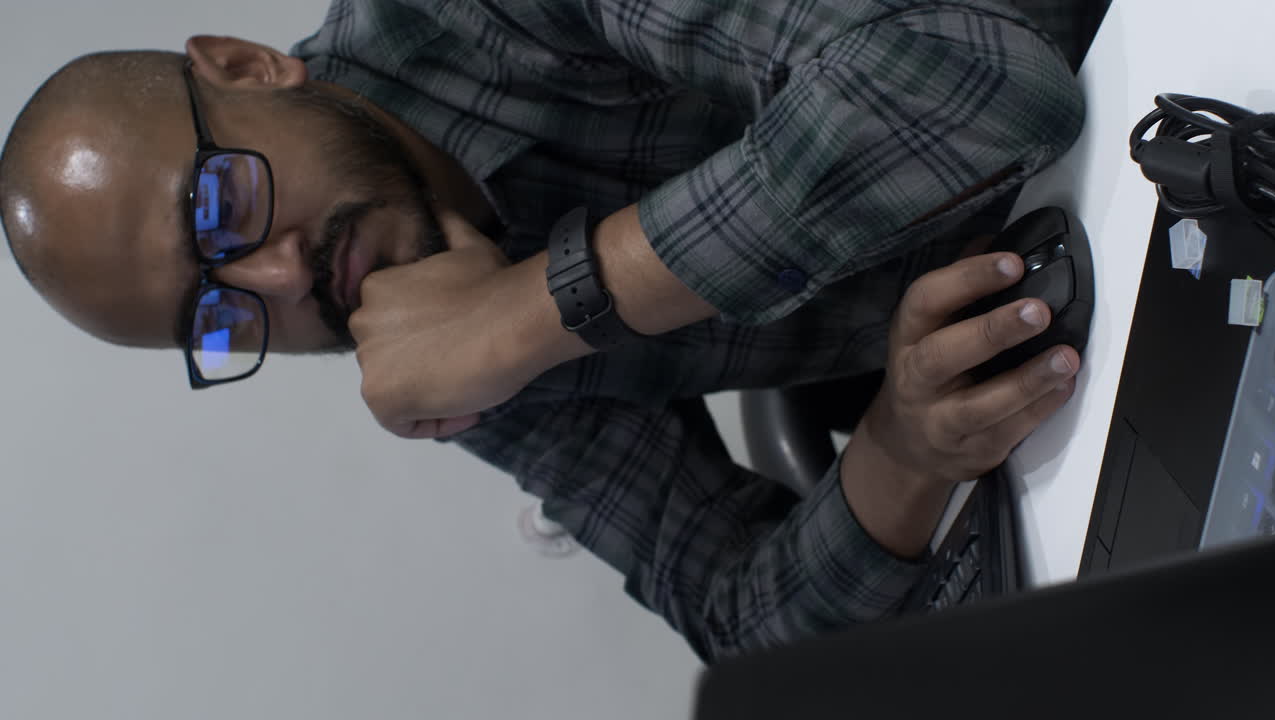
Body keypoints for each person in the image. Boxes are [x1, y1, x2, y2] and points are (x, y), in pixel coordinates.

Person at [0, 0, 1091, 660]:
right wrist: (901, 448)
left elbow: (983, 79)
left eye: (219, 205)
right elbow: (742, 624)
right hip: (1099, 352)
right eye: (215, 308)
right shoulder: (421, 344)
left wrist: (537, 311)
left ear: (245, 67)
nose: (281, 274)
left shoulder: (479, 20)